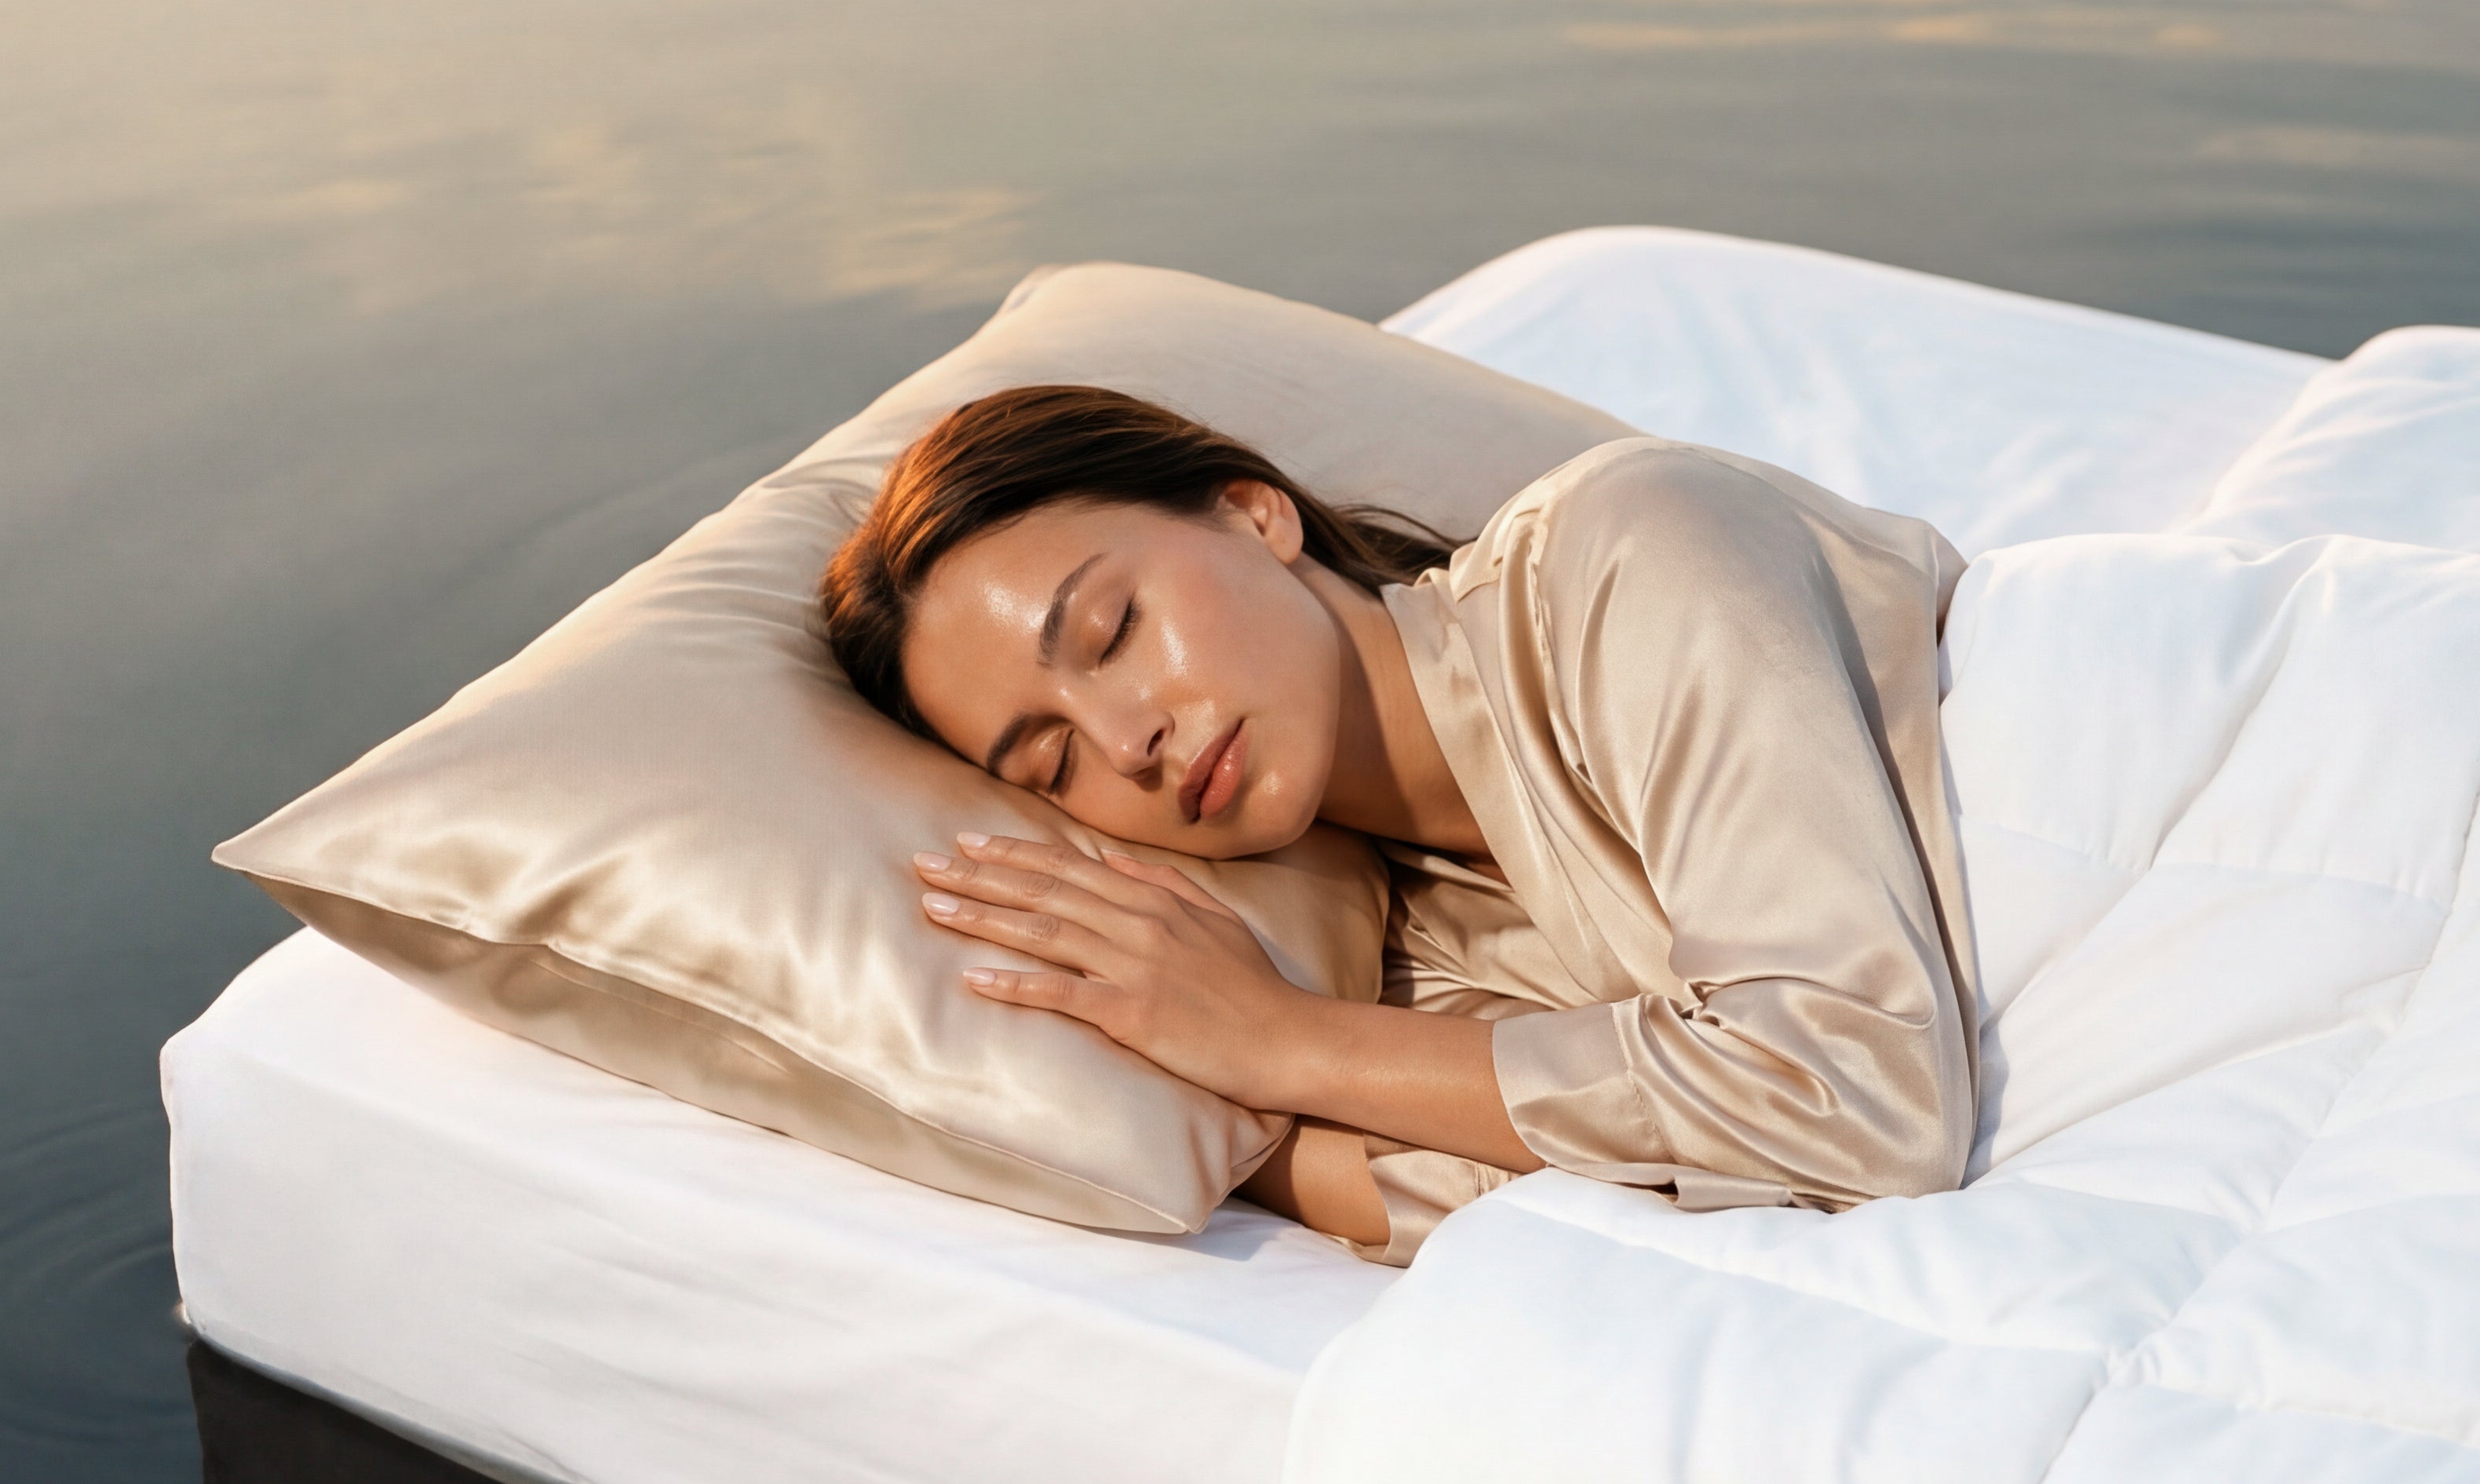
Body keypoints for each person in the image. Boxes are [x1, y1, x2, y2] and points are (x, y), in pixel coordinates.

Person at [817, 385, 1979, 1262]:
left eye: (1114, 631)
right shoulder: (1409, 960)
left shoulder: (1628, 544)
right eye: (1055, 759)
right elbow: (1583, 1194)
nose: (1129, 743)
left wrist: (1280, 1046)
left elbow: (1858, 1100)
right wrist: (1257, 1123)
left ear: (1252, 514)